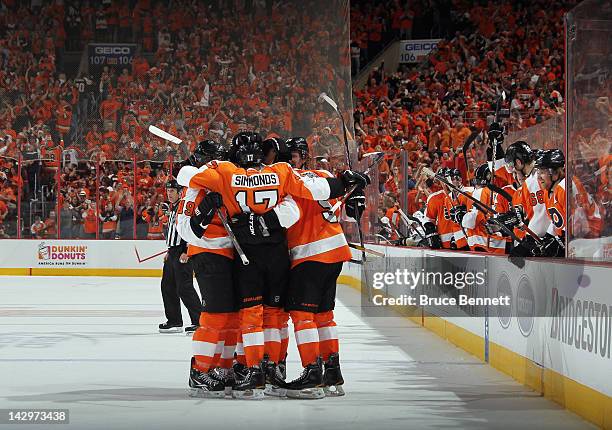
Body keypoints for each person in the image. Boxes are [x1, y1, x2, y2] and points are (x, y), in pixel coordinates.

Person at [177, 131, 370, 400]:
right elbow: (316, 203)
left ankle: (261, 370)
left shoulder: (227, 174)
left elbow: (185, 179)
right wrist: (349, 185)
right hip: (313, 253)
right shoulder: (297, 175)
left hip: (287, 255)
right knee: (275, 315)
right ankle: (308, 369)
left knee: (255, 316)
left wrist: (253, 223)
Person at [282, 136, 354, 399]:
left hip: (310, 252)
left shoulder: (288, 179)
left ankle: (312, 373)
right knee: (324, 315)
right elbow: (339, 203)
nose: (291, 159)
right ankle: (332, 371)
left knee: (302, 315)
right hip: (334, 249)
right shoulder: (323, 174)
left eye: (294, 154)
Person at [158, 179, 202, 334]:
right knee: (167, 286)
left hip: (182, 252)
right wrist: (169, 251)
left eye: (172, 191)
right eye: (168, 191)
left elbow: (190, 230)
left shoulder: (184, 207)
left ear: (180, 192)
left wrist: (187, 250)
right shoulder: (173, 207)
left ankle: (199, 322)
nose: (169, 194)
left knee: (185, 288)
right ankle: (174, 321)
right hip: (173, 252)